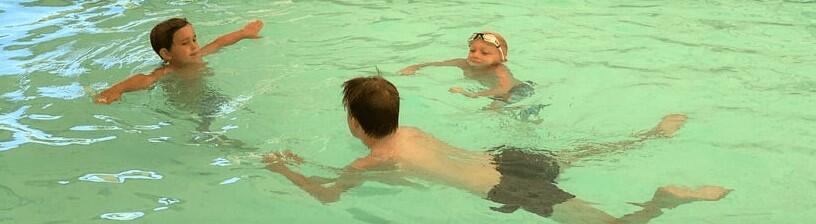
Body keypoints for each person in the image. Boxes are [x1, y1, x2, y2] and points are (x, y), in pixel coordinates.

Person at [263, 76, 731, 223]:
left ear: (352, 122)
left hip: (507, 185)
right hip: (504, 158)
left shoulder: (375, 160)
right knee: (586, 152)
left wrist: (284, 170)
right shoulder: (413, 134)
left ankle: (661, 201)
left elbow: (327, 195)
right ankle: (648, 135)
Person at [94, 18, 263, 148]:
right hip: (190, 107)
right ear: (166, 54)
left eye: (194, 39)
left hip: (210, 97)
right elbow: (145, 79)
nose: (194, 46)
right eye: (185, 43)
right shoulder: (167, 71)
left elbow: (219, 42)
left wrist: (244, 33)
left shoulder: (198, 55)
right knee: (209, 131)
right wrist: (116, 89)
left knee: (249, 115)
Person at [399, 32, 537, 110]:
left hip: (519, 90)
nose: (476, 55)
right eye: (472, 50)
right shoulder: (463, 63)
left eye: (484, 53)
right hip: (496, 93)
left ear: (502, 59)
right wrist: (415, 67)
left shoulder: (499, 70)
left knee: (491, 110)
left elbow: (504, 88)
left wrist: (472, 94)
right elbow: (438, 64)